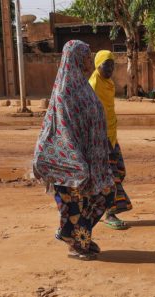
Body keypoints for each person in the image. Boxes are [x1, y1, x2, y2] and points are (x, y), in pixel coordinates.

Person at [33, 40, 115, 261]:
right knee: (75, 206)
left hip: (93, 161)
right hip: (70, 165)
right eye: (87, 57)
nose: (90, 61)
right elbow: (63, 132)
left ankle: (81, 237)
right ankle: (76, 244)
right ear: (76, 59)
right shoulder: (64, 92)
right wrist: (78, 164)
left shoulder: (82, 85)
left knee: (104, 196)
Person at [89, 50, 133, 230]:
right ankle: (110, 213)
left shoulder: (109, 84)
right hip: (100, 139)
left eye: (112, 65)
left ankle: (97, 208)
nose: (110, 69)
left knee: (120, 171)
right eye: (106, 65)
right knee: (112, 177)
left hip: (111, 137)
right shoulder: (92, 85)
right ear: (97, 65)